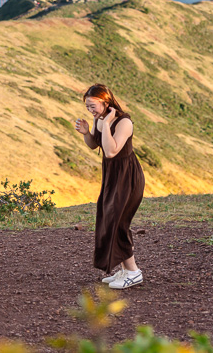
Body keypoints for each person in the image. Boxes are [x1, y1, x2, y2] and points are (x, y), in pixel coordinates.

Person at [73, 84, 146, 289]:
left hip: (127, 178)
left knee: (118, 222)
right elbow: (95, 144)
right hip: (112, 176)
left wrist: (106, 125)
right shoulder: (100, 119)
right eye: (87, 107)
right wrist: (87, 132)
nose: (90, 110)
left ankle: (133, 272)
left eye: (93, 106)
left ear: (106, 102)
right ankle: (124, 270)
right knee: (107, 219)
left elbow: (111, 151)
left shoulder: (124, 122)